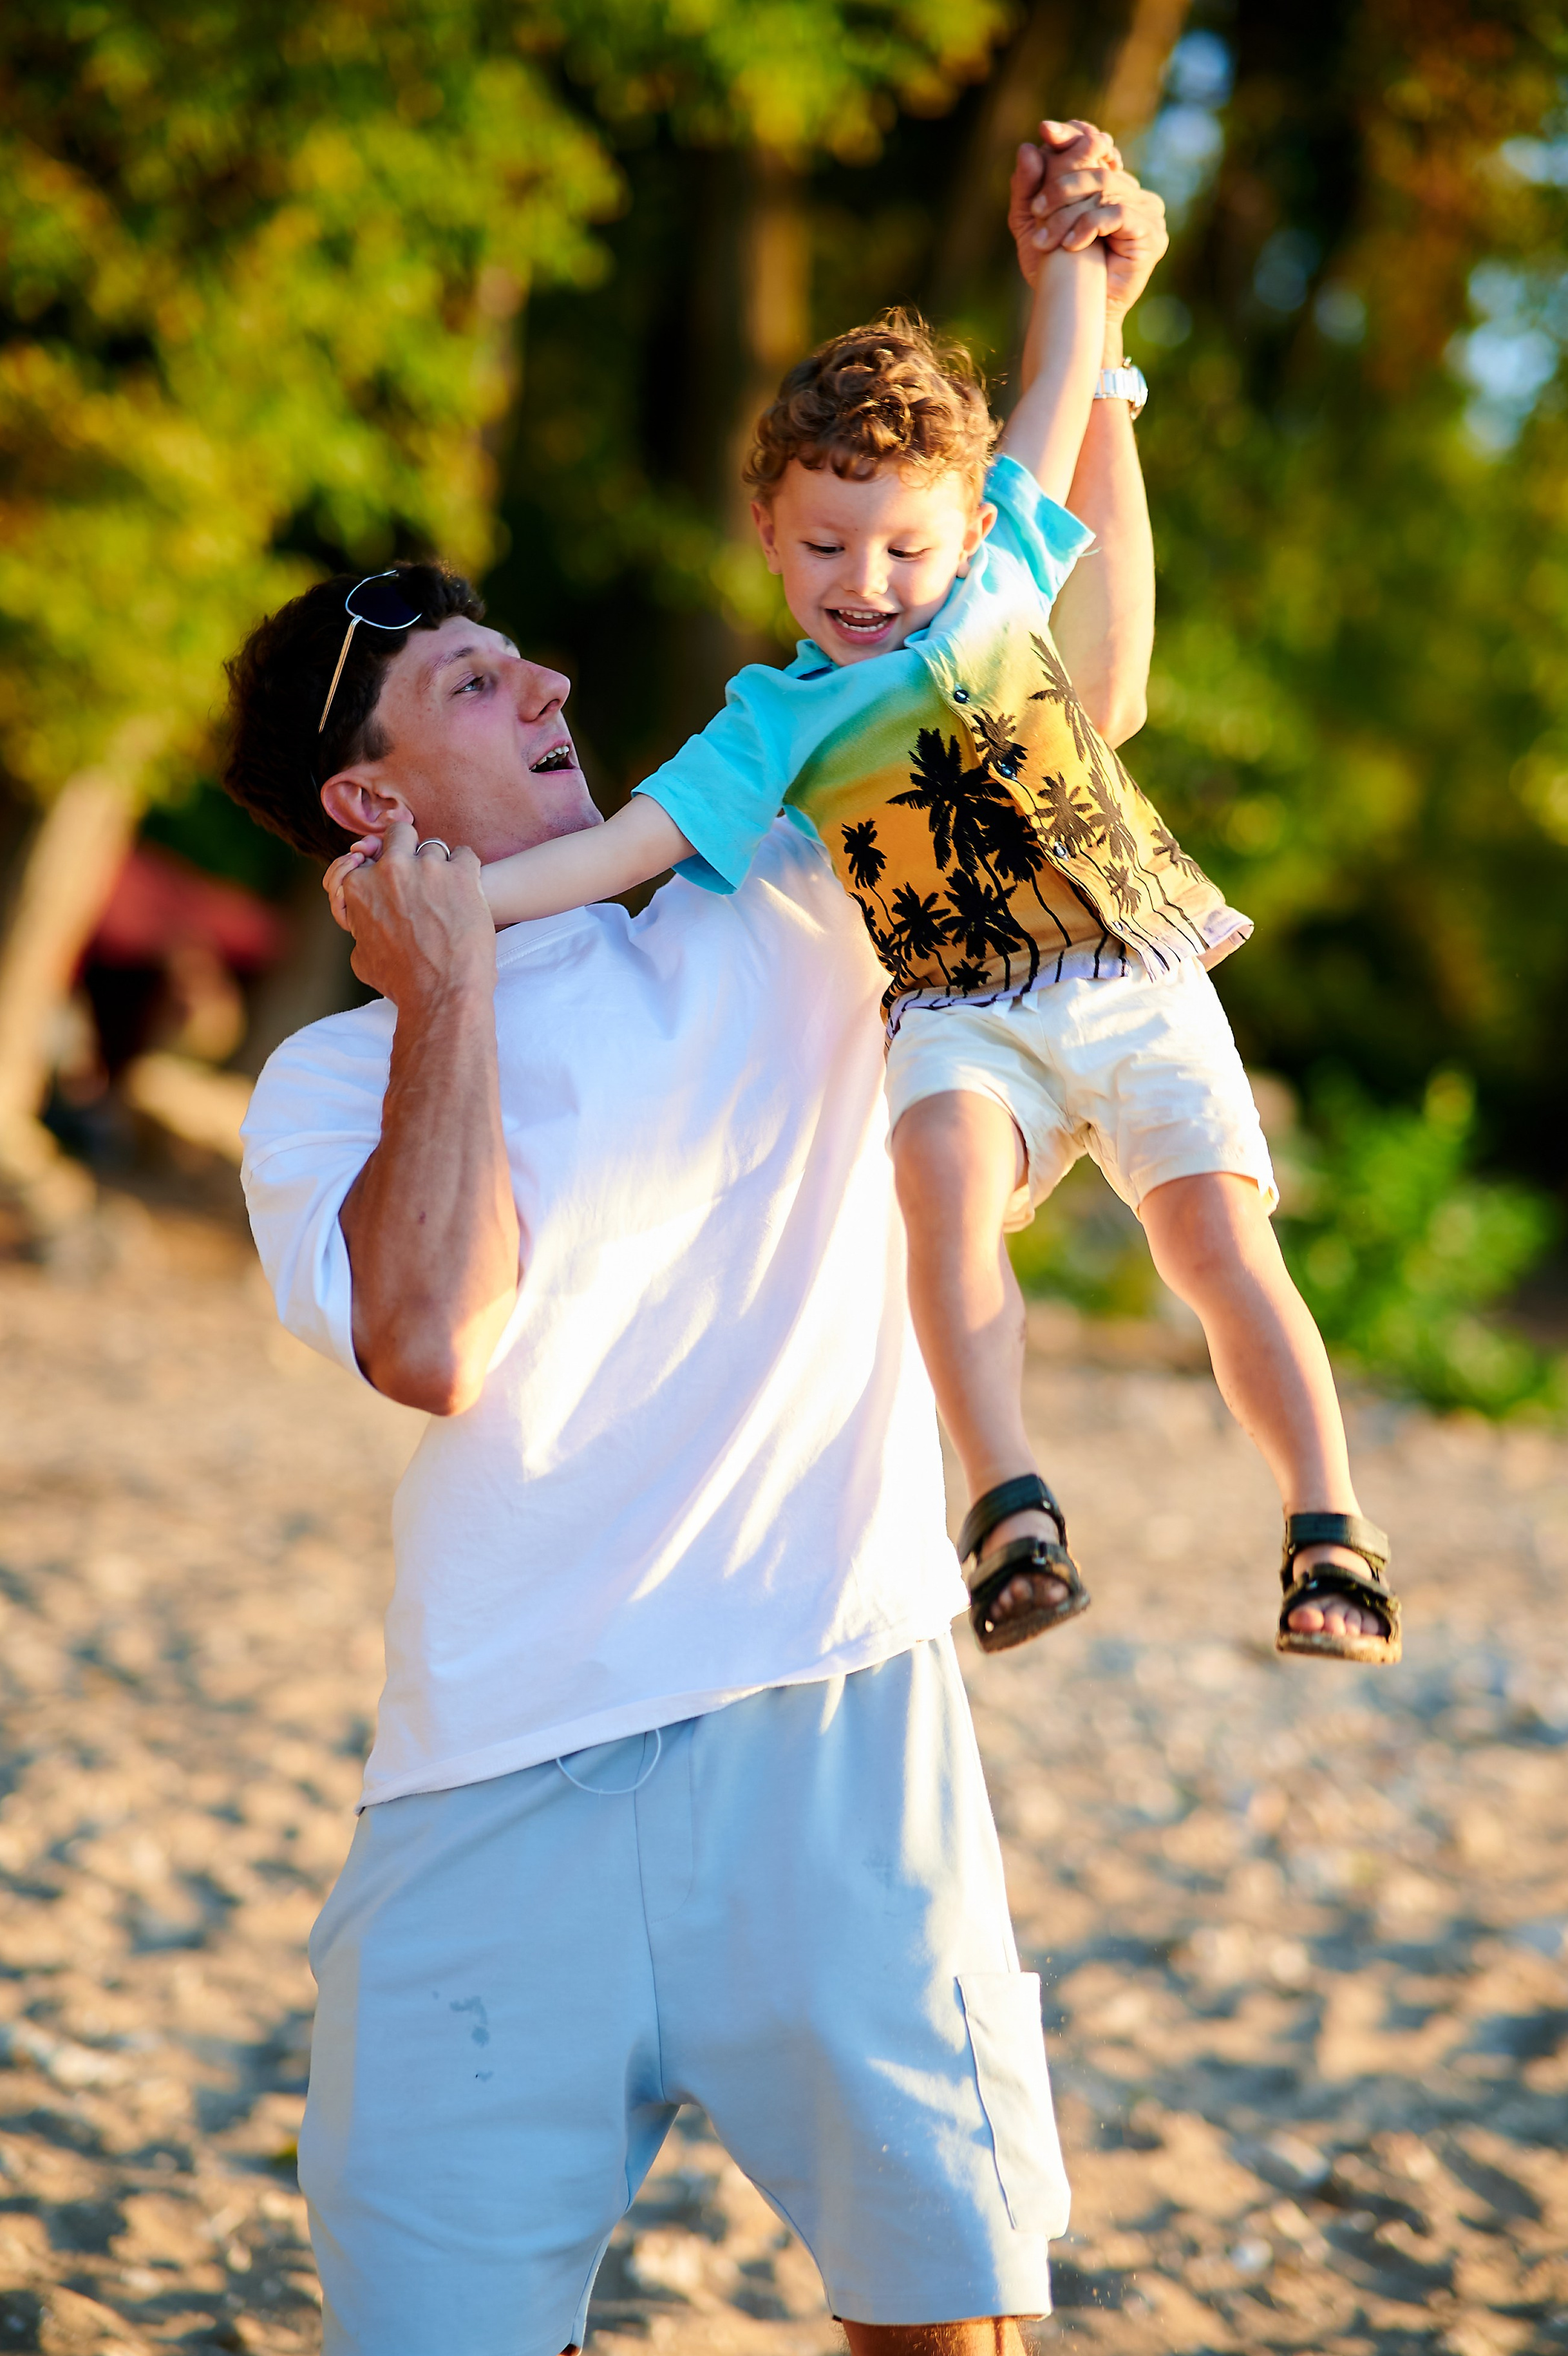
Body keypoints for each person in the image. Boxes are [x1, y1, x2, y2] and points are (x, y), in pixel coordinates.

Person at [227, 124, 1165, 2356]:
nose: (542, 669)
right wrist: (447, 991)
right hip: (482, 1783)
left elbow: (1048, 681)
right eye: (468, 675)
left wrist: (1094, 335)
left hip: (831, 1725)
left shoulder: (772, 902)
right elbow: (437, 1336)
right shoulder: (328, 1085)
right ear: (370, 806)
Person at [329, 150, 1401, 1667]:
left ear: (965, 530)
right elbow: (630, 841)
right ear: (766, 535)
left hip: (1128, 970)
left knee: (1218, 1249)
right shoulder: (771, 721)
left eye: (903, 546)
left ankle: (1327, 1528)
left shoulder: (998, 574)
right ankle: (1009, 1507)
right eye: (824, 546)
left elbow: (1053, 390)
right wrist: (458, 896)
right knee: (942, 1202)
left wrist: (1075, 270)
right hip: (961, 1010)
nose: (866, 581)